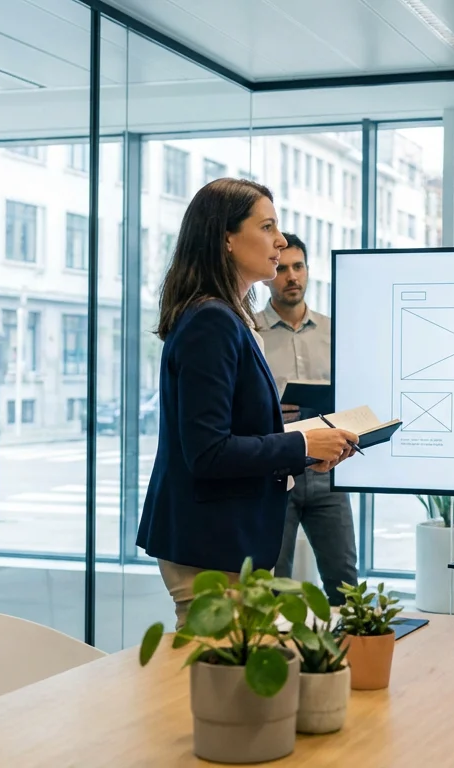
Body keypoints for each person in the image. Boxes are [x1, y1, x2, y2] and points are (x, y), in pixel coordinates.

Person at [136, 178, 359, 631]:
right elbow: (209, 451)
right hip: (210, 544)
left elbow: (235, 436)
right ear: (227, 239)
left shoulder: (223, 316)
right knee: (210, 689)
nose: (279, 241)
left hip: (223, 538)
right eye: (268, 226)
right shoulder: (211, 322)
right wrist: (301, 446)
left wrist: (308, 451)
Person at [257, 232, 357, 605]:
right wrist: (265, 410)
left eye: (298, 267)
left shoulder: (335, 332)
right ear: (269, 274)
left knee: (344, 580)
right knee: (273, 583)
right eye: (282, 269)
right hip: (275, 471)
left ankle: (349, 659)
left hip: (328, 470)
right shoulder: (251, 332)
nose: (291, 276)